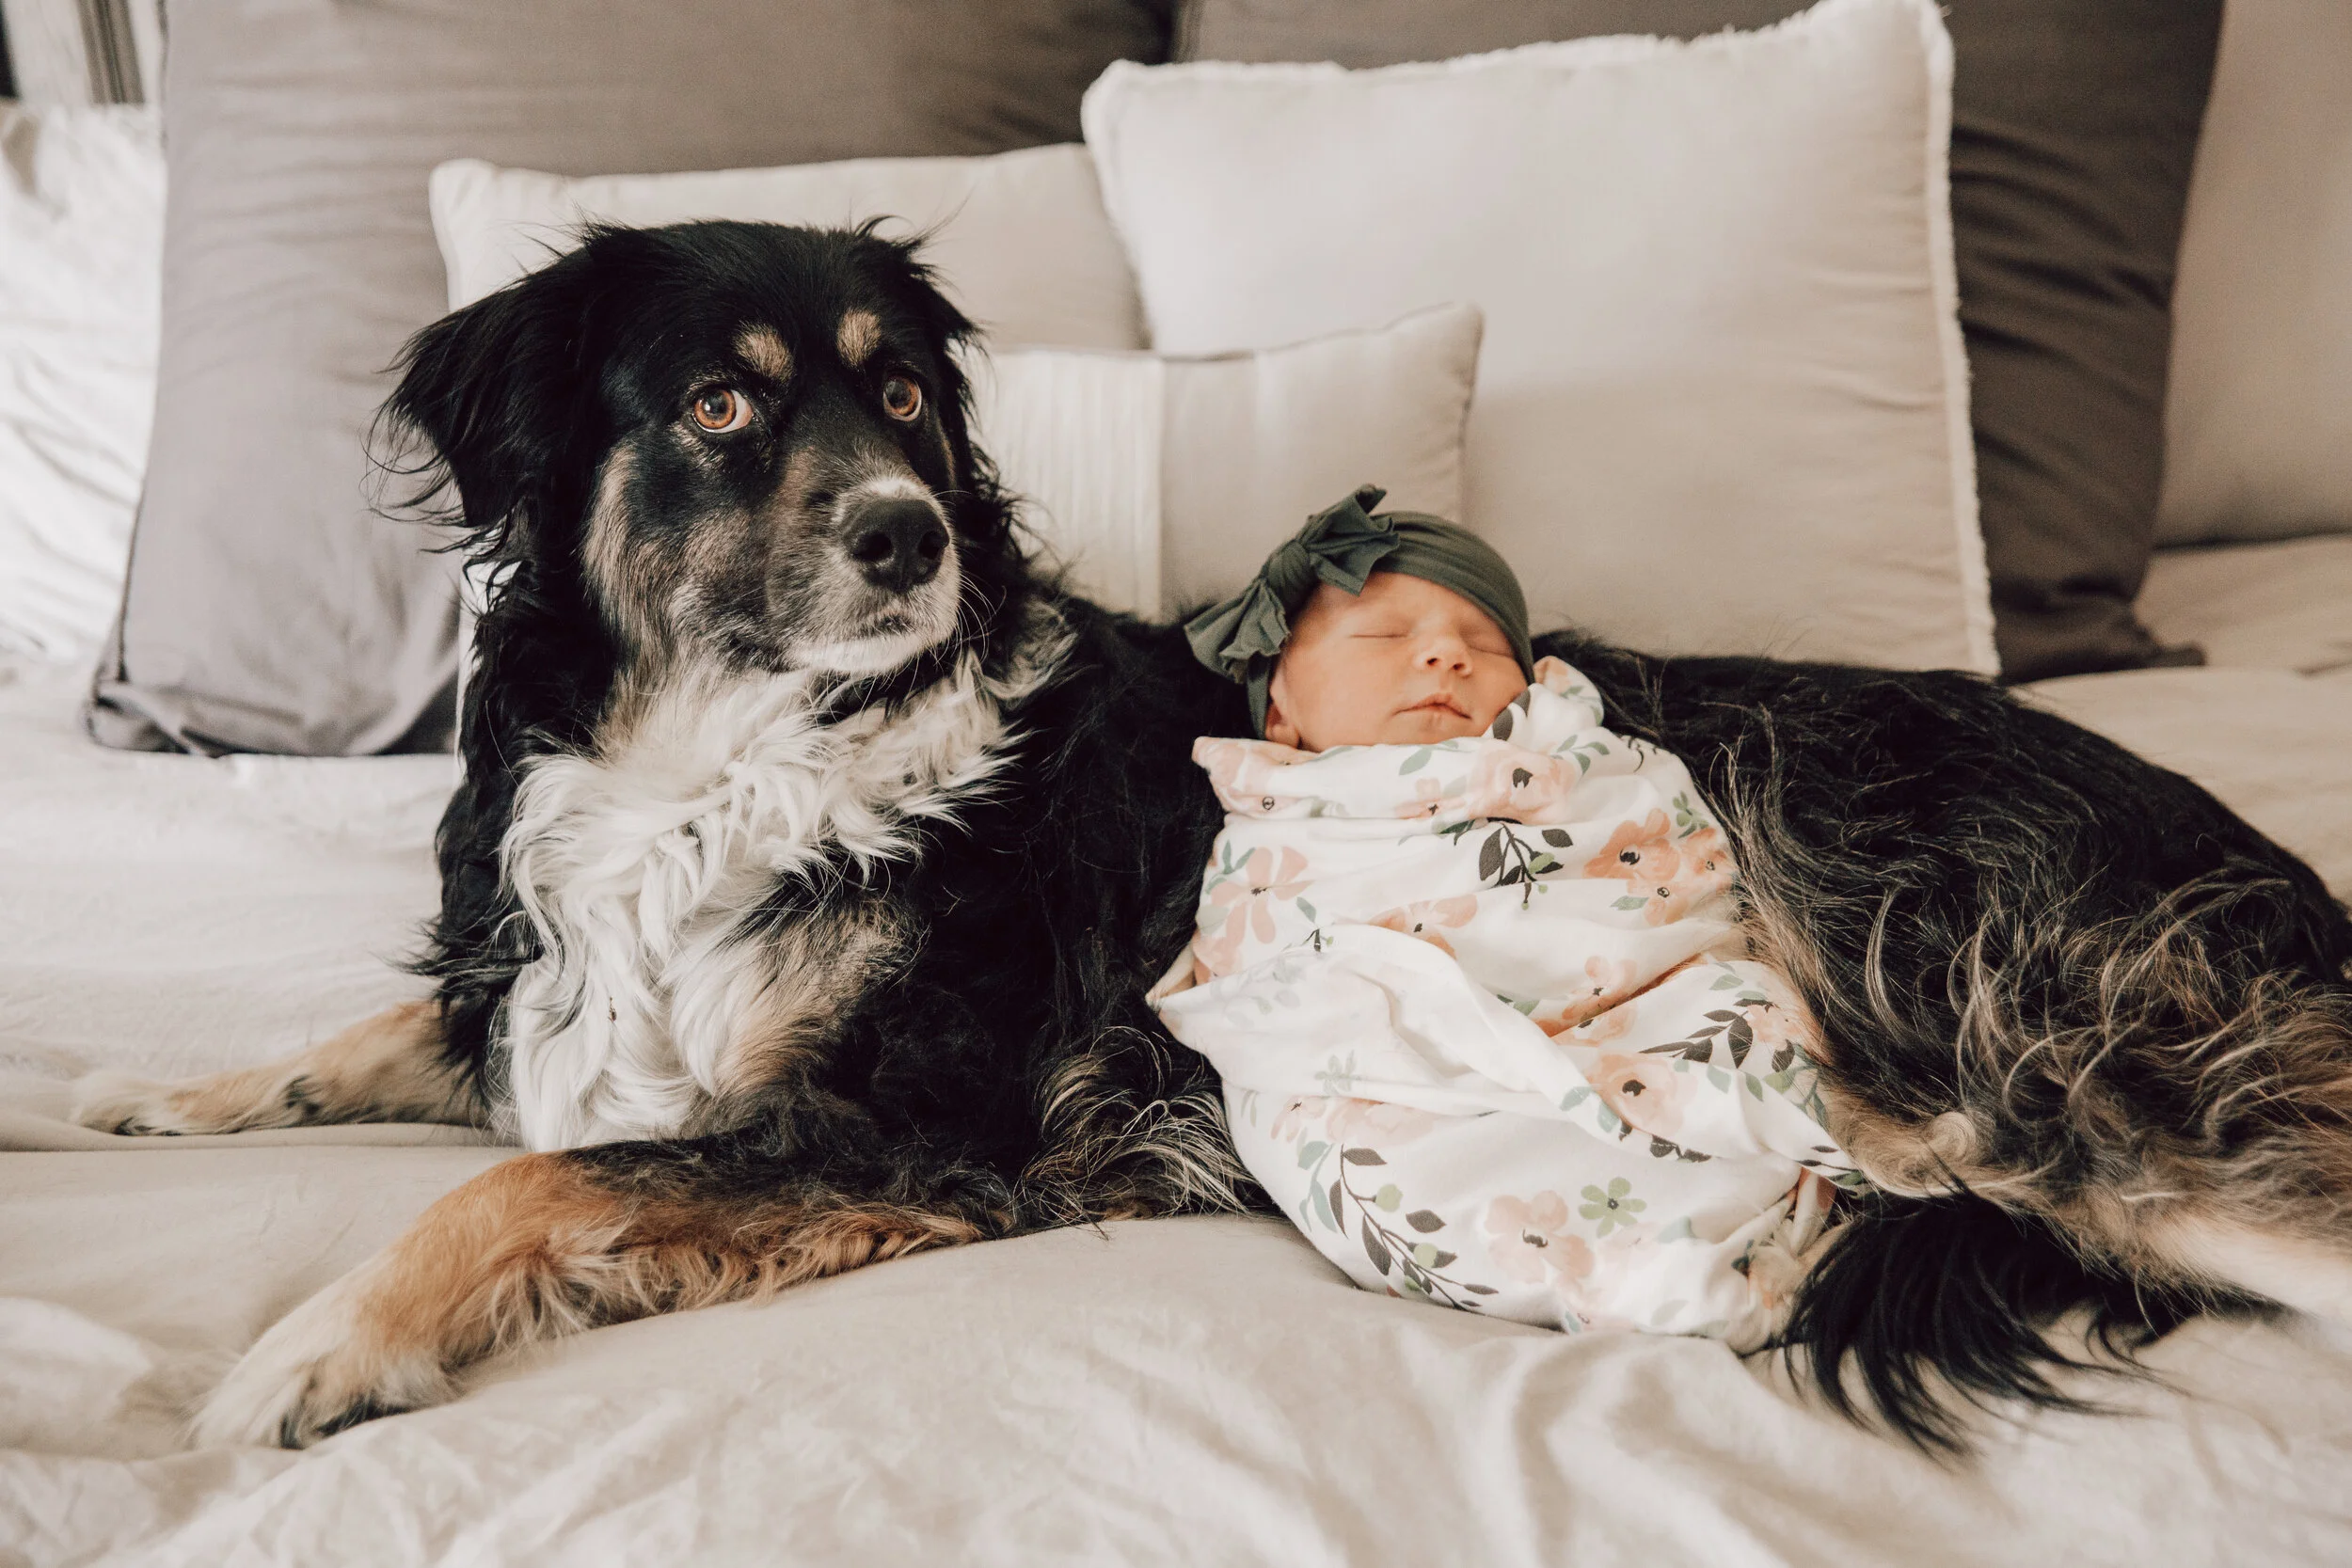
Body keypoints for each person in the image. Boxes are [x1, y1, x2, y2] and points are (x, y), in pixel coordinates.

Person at [1152, 486, 1861, 1347]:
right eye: (1385, 634)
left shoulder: (1572, 762)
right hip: (1389, 1079)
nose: (1447, 654)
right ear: (1280, 714)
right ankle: (1655, 1271)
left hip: (1630, 1012)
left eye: (1485, 645)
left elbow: (1665, 873)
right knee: (1369, 1165)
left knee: (1751, 1020)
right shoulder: (1276, 824)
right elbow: (1257, 965)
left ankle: (1775, 1190)